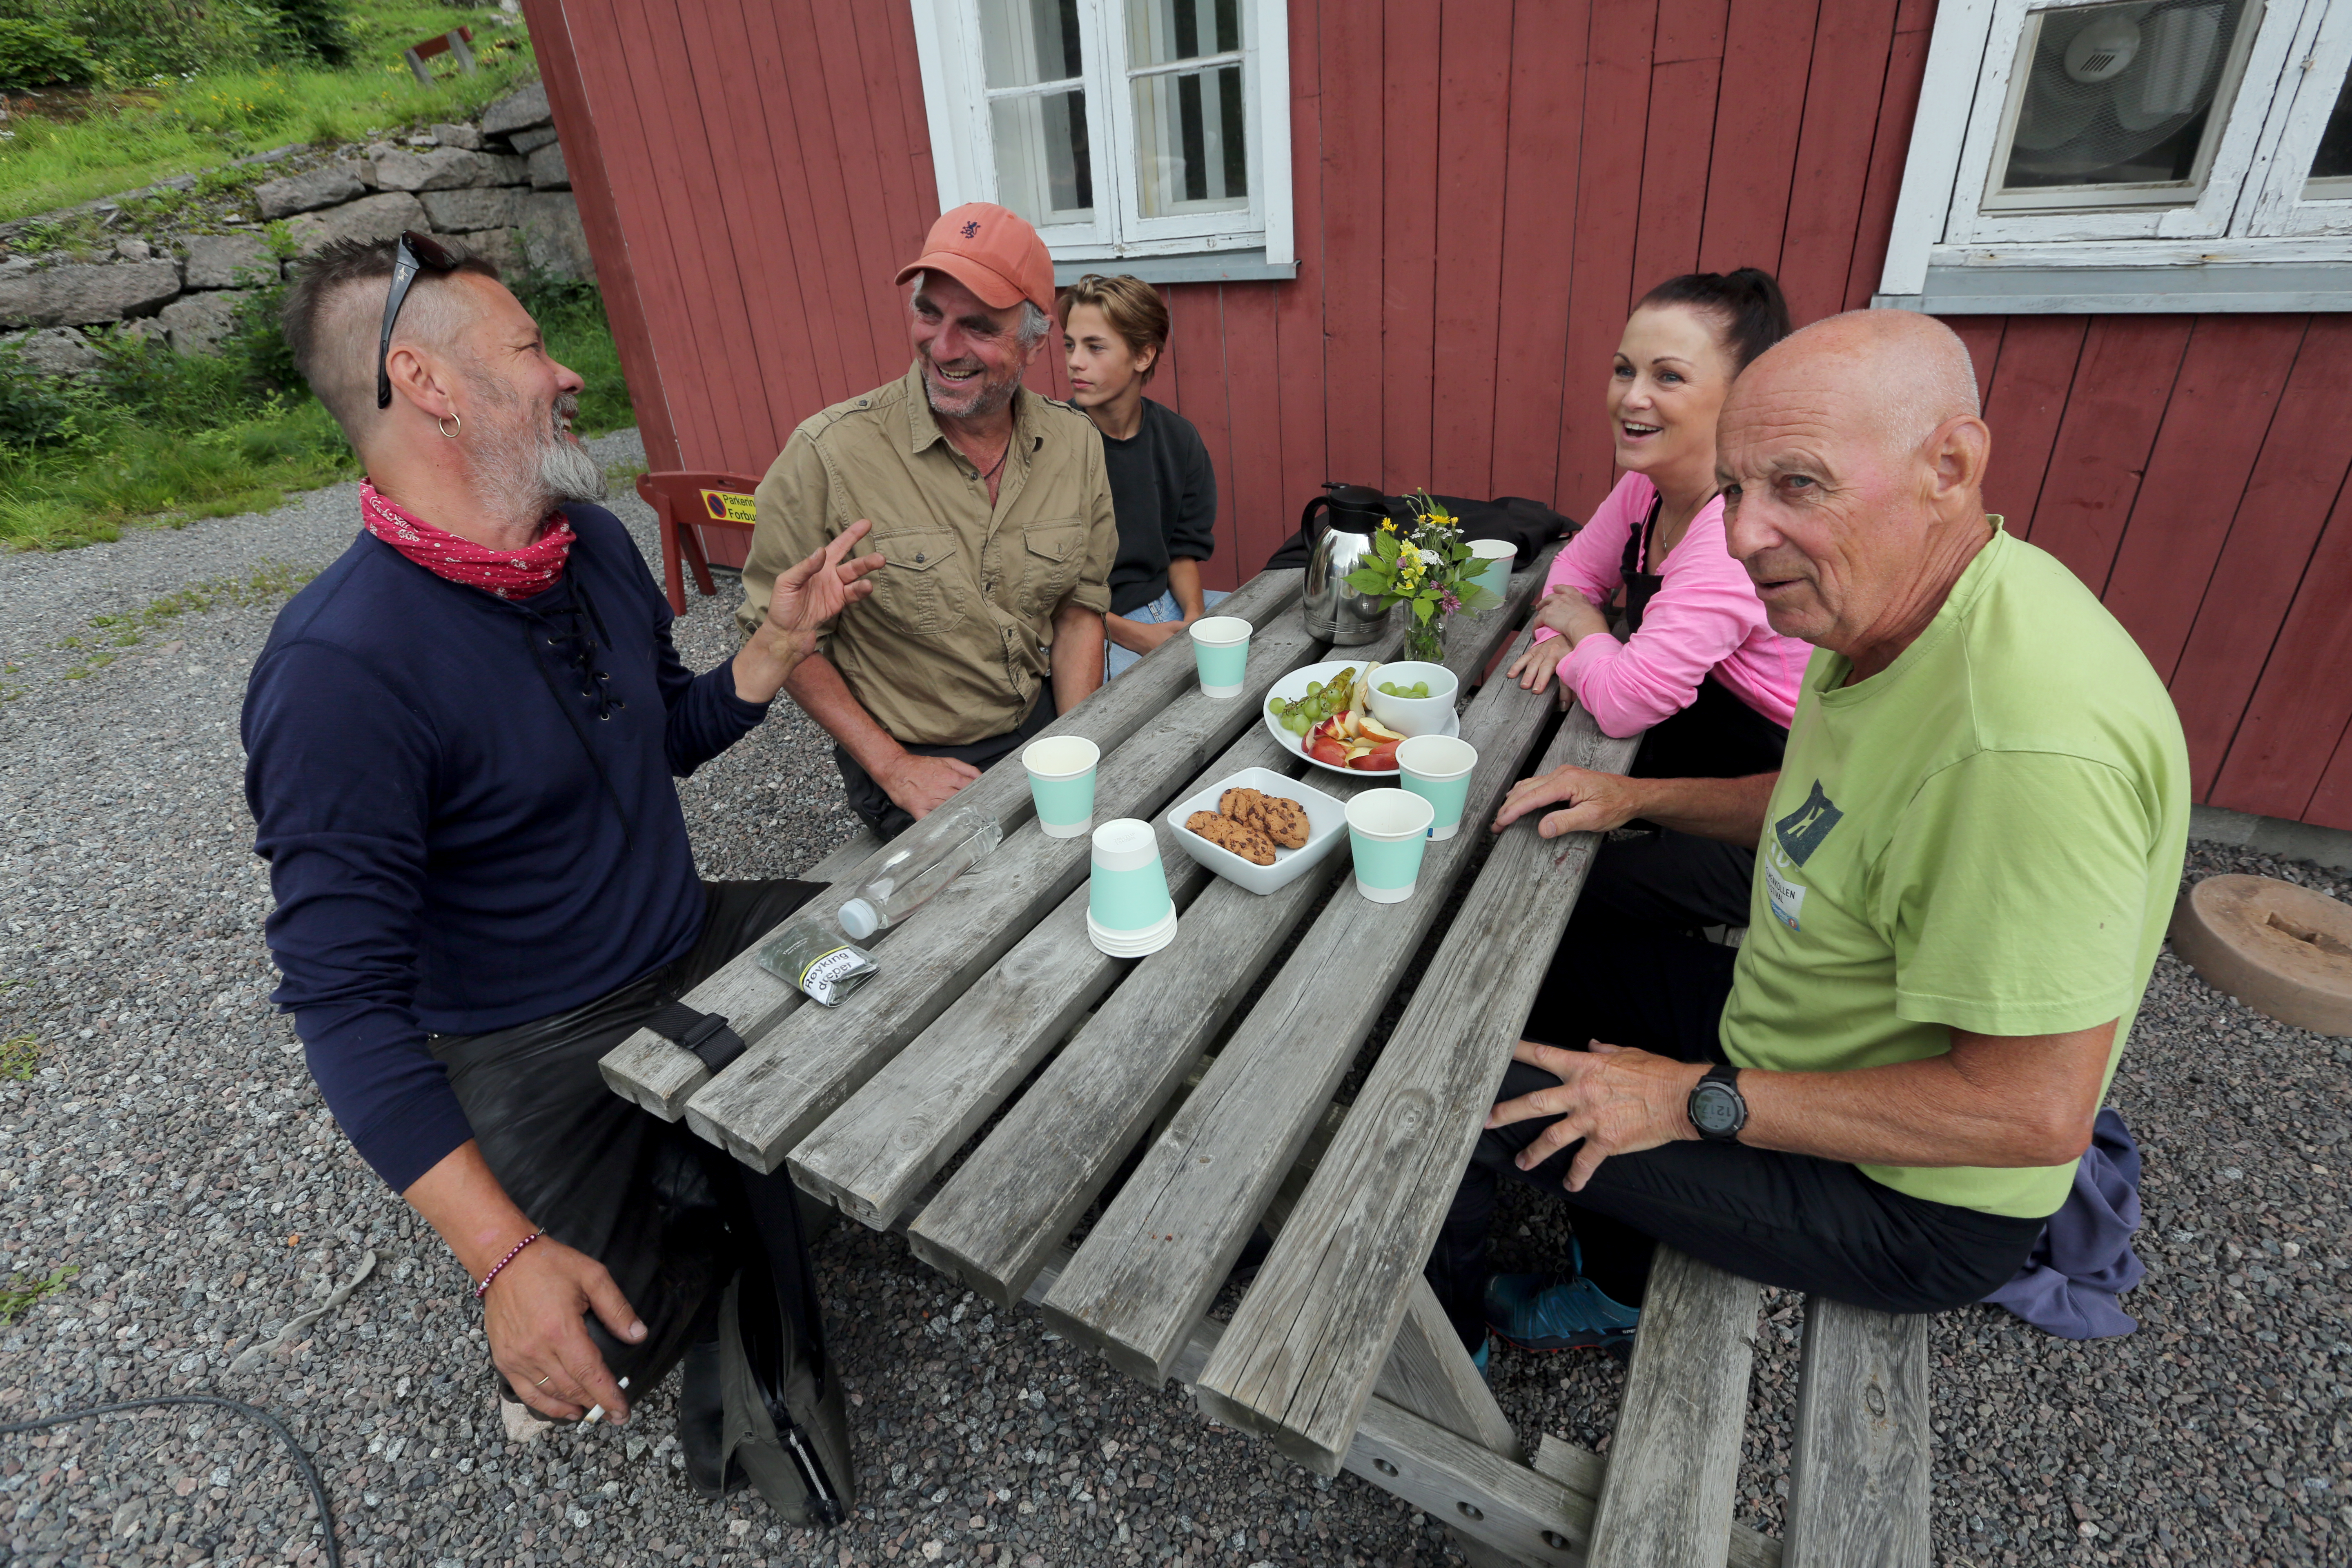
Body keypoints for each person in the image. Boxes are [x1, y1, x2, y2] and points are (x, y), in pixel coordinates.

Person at [244, 234, 883, 1519]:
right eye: (533, 347)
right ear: (428, 383)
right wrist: (503, 1256)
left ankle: (728, 1166)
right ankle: (700, 1180)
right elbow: (344, 1004)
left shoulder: (588, 542)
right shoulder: (337, 672)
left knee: (910, 966)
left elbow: (663, 736)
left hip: (686, 939)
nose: (570, 372)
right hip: (529, 1033)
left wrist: (773, 647)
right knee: (595, 1354)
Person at [1428, 309, 2190, 1367]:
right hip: (1799, 1030)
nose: (1744, 535)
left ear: (1951, 466)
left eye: (1798, 484)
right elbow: (1825, 800)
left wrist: (1692, 1100)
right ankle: (1617, 1264)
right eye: (1735, 489)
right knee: (1532, 958)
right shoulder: (1900, 604)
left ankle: (1439, 1349)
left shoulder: (2023, 751)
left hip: (1909, 1200)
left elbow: (2030, 1115)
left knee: (1453, 1090)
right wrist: (1636, 800)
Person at [738, 204, 1119, 840]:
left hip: (1045, 722)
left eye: (977, 326)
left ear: (1035, 340)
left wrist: (1071, 746)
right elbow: (777, 635)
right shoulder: (827, 454)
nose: (943, 348)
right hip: (917, 757)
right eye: (929, 313)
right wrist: (893, 768)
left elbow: (1081, 607)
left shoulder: (1075, 443)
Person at [1503, 269, 1809, 934]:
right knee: (1507, 782)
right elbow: (1570, 577)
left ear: (1740, 400)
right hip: (1682, 744)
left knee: (1561, 888)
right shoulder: (1650, 487)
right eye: (1624, 370)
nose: (1632, 397)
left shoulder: (1732, 536)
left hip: (1774, 807)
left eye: (1668, 377)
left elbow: (1625, 702)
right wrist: (1562, 637)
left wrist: (1588, 634)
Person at [1057, 272, 1225, 679]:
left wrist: (1195, 620)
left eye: (1095, 347)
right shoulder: (1052, 445)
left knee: (1260, 651)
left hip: (1165, 604)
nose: (1075, 361)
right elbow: (1044, 588)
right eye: (1070, 345)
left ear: (1143, 356)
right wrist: (1136, 636)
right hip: (1084, 627)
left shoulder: (1178, 439)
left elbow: (1181, 551)